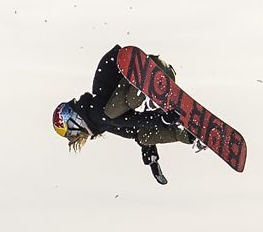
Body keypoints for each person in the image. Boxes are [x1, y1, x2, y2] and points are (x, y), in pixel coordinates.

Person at [53, 45, 191, 184]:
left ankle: (148, 96)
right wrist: (152, 158)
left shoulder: (96, 111)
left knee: (121, 109)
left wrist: (161, 120)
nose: (76, 136)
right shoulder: (102, 121)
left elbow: (131, 120)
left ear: (72, 122)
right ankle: (187, 135)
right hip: (162, 75)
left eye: (70, 133)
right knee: (143, 137)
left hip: (154, 70)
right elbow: (134, 128)